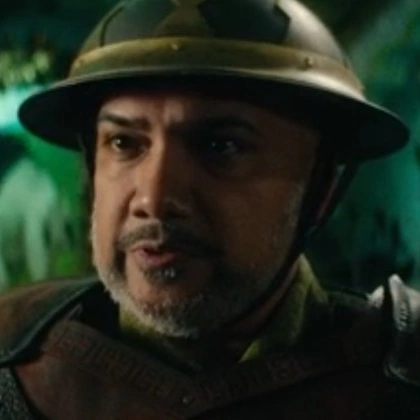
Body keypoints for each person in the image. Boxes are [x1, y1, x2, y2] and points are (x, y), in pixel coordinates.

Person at [0, 0, 417, 418]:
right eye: (124, 143)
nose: (154, 200)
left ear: (320, 188)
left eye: (221, 146)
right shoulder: (15, 358)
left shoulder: (401, 376)